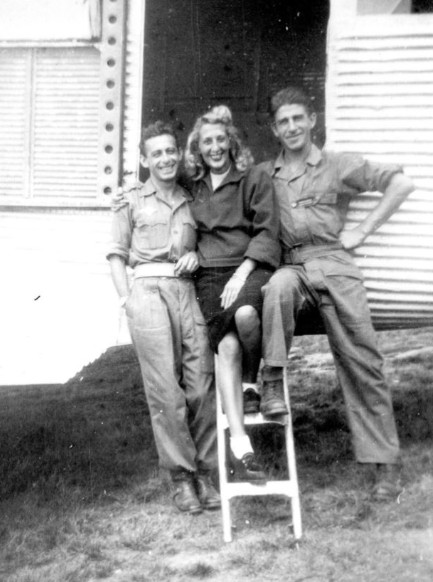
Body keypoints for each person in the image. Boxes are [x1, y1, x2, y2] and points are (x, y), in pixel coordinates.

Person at [259, 86, 415, 500]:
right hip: (293, 266)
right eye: (283, 122)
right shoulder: (264, 176)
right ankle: (272, 378)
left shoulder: (337, 165)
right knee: (276, 286)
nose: (292, 127)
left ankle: (384, 467)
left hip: (336, 266)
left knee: (363, 362)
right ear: (274, 130)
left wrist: (363, 231)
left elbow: (400, 183)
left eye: (298, 118)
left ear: (312, 120)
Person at [107, 121, 220, 515]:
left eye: (171, 150)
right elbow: (116, 255)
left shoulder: (194, 198)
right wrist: (128, 301)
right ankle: (181, 478)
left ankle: (206, 472)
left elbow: (210, 242)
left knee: (202, 383)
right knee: (166, 393)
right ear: (144, 159)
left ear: (179, 153)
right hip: (148, 294)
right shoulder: (131, 200)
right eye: (156, 153)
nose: (166, 158)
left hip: (186, 292)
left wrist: (198, 256)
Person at [184, 105, 282, 483]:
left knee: (245, 317)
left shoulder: (252, 178)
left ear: (232, 142)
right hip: (210, 277)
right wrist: (190, 250)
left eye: (220, 140)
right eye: (207, 141)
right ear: (199, 147)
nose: (214, 147)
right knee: (225, 347)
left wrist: (242, 273)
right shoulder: (193, 187)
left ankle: (250, 381)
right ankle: (243, 448)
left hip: (249, 267)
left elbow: (266, 230)